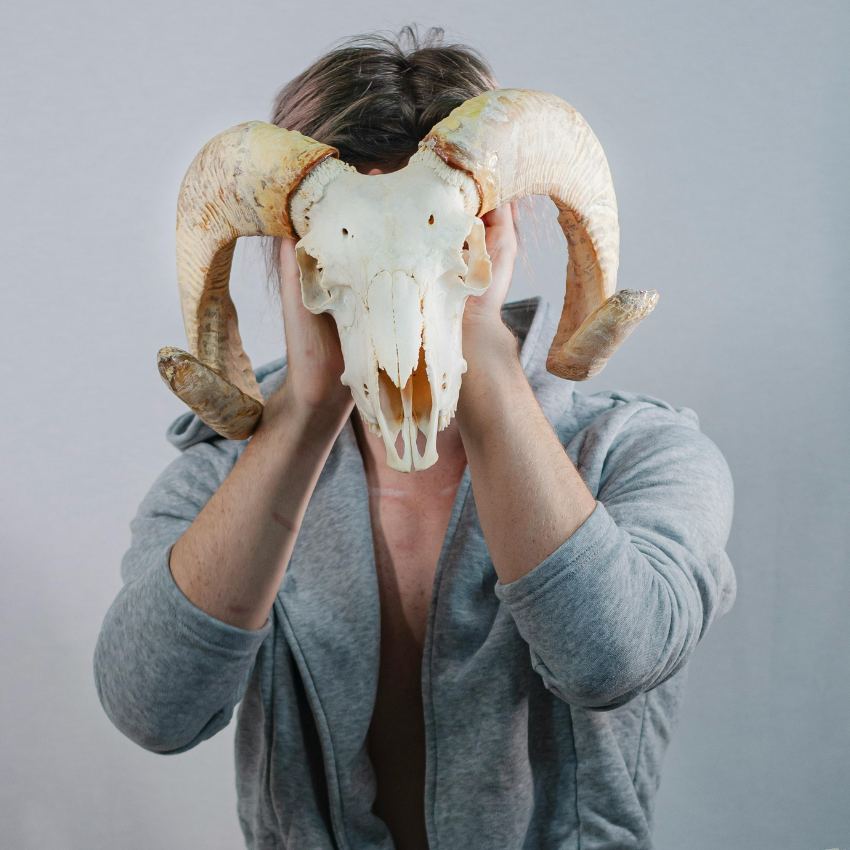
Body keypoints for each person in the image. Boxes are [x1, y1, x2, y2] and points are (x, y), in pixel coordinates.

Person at [94, 26, 736, 850]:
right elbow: (151, 709)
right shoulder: (218, 483)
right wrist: (303, 413)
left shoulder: (637, 454)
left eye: (439, 235)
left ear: (489, 238)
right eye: (345, 245)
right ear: (298, 260)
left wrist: (488, 365)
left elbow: (609, 660)